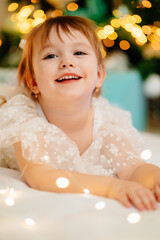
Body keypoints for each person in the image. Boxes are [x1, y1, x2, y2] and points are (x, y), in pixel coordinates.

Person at [0, 16, 160, 211]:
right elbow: (42, 176)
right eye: (50, 56)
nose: (67, 62)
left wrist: (154, 178)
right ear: (33, 82)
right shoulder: (25, 120)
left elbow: (133, 167)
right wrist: (110, 186)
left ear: (99, 76)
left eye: (79, 52)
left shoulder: (106, 122)